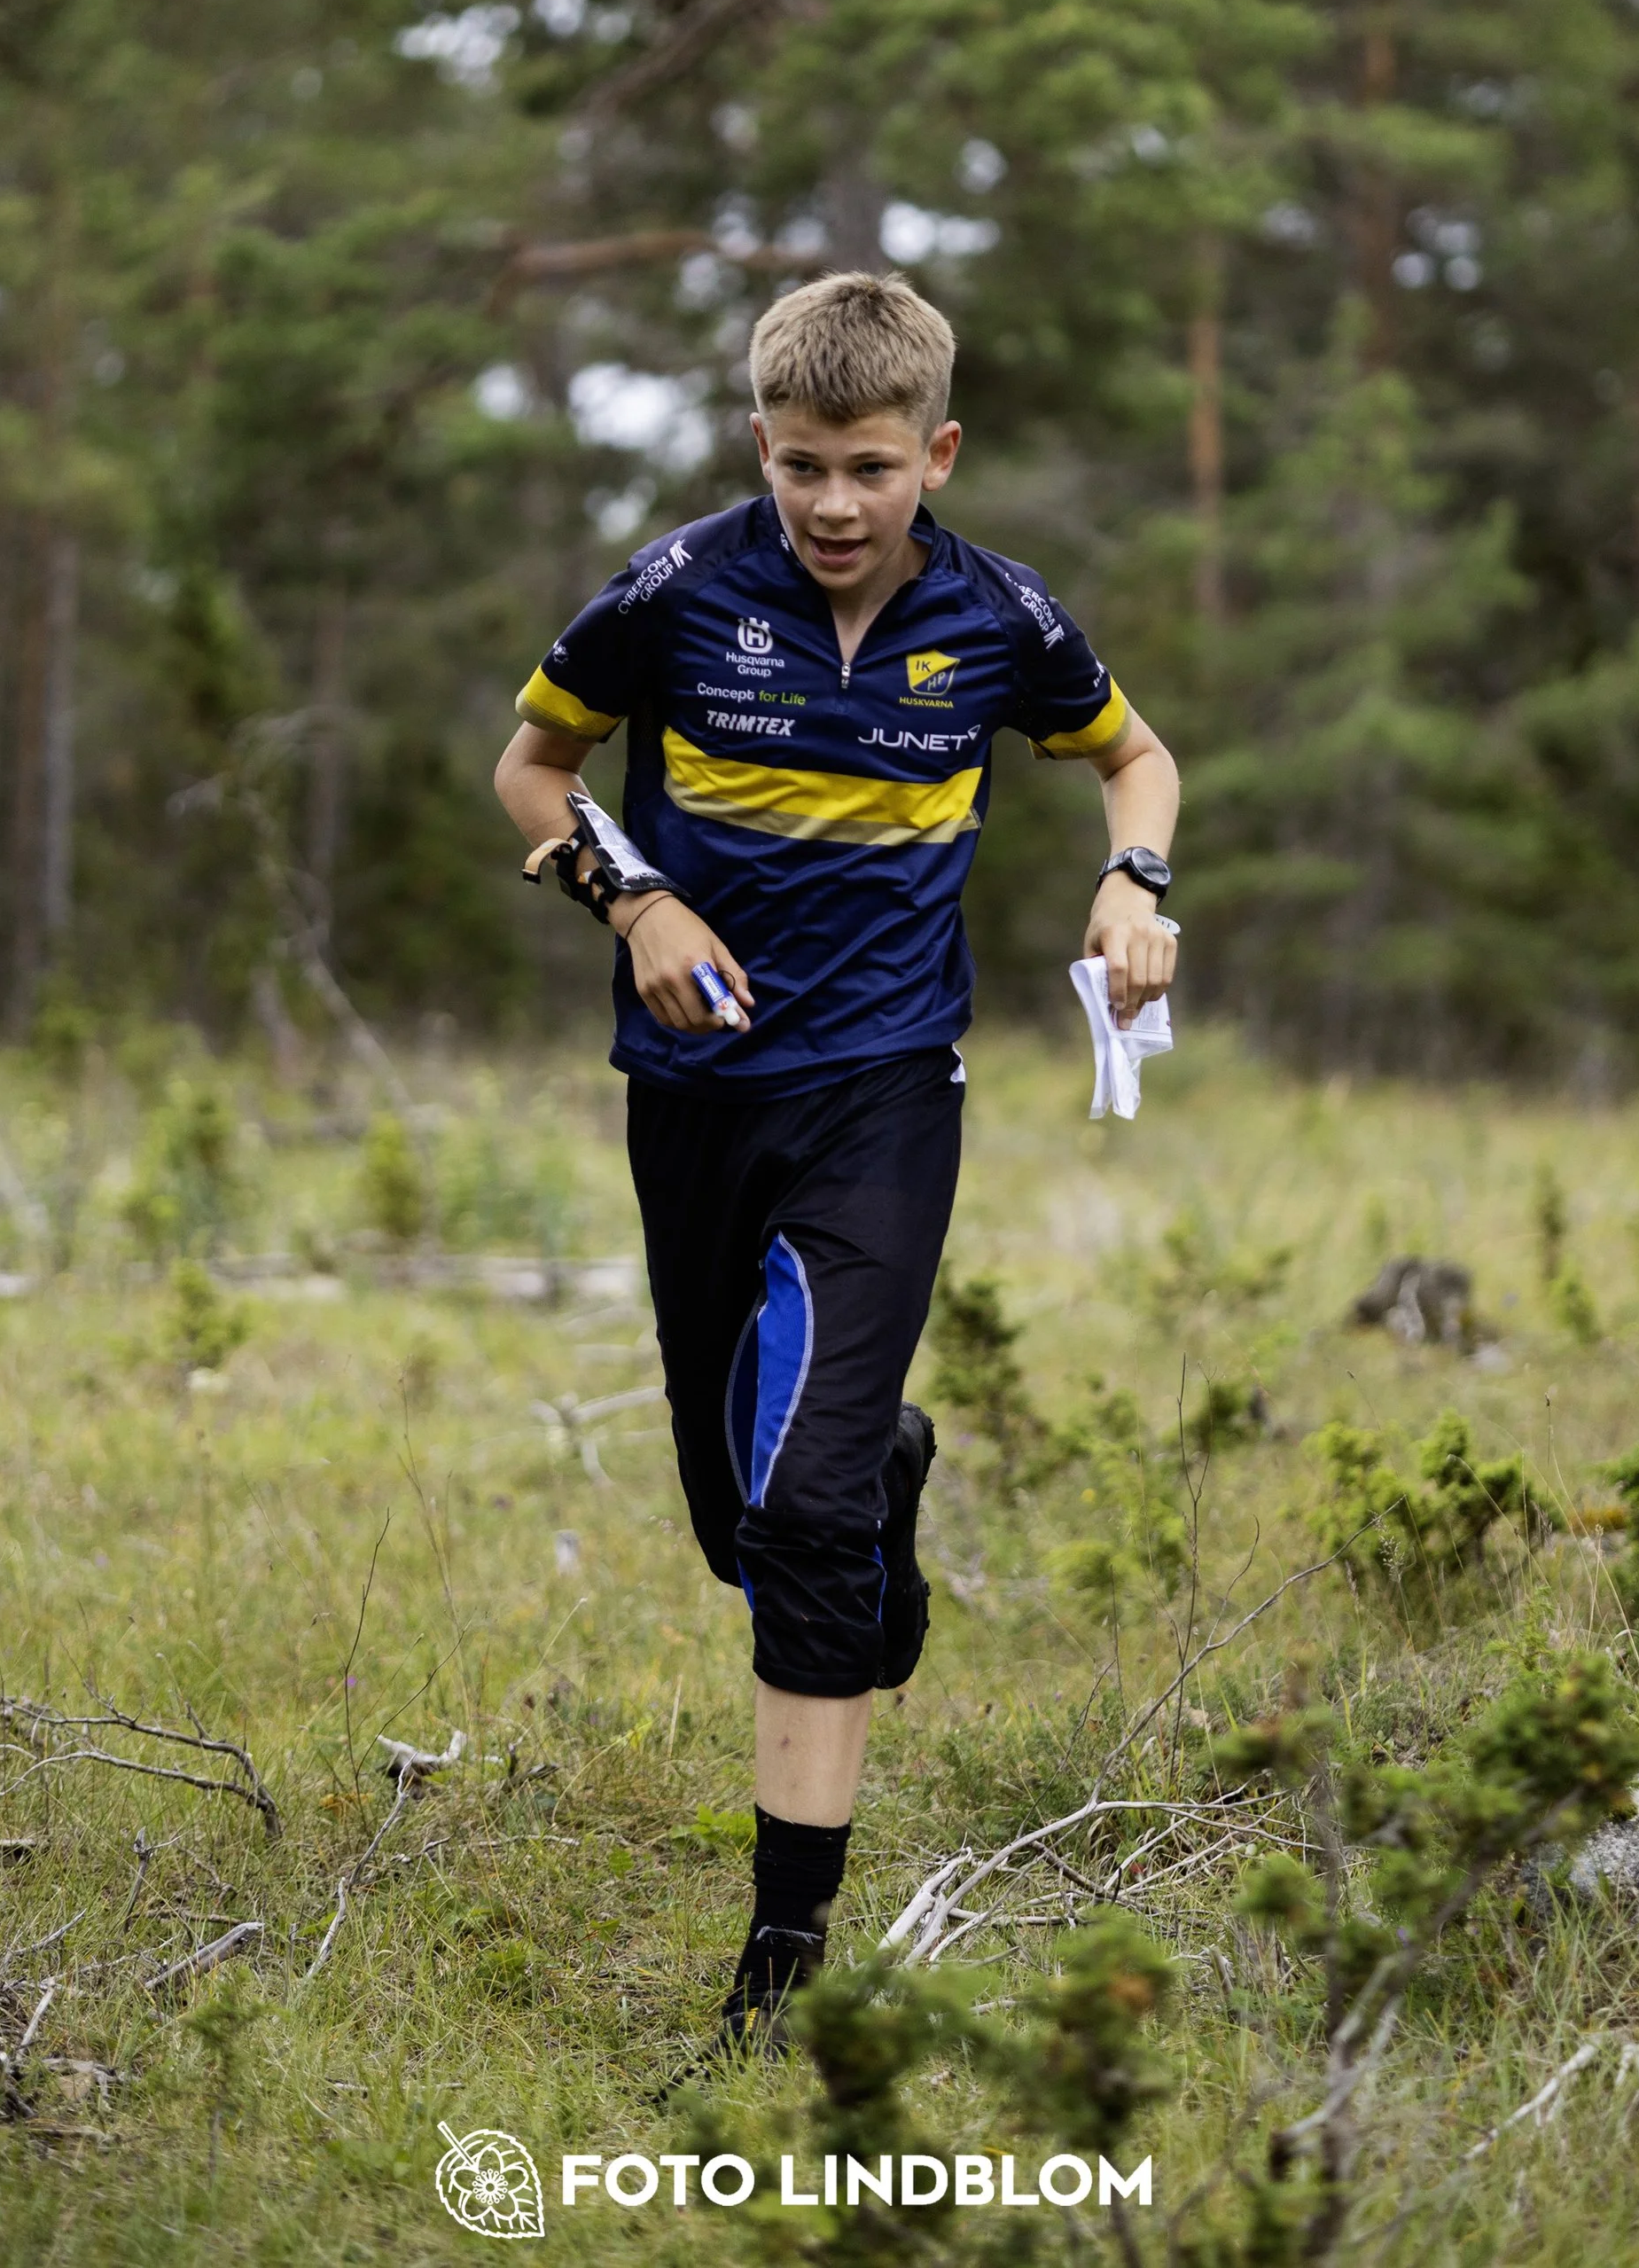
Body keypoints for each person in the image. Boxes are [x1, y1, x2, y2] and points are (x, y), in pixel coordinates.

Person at [493, 271, 1178, 2048]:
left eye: (870, 467)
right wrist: (631, 898)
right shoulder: (674, 590)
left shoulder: (998, 616)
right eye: (800, 465)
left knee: (798, 1526)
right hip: (688, 1093)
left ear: (934, 454)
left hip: (883, 1093)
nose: (833, 503)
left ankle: (780, 1974)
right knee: (743, 1524)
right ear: (758, 445)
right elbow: (533, 769)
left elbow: (1136, 760)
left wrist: (1133, 878)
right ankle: (882, 1473)